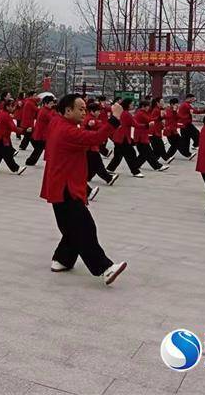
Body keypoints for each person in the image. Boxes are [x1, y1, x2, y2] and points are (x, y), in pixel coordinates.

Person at [40, 94, 128, 285]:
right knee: (85, 227)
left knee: (72, 227)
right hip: (66, 187)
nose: (84, 112)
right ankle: (104, 268)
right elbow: (95, 137)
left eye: (85, 109)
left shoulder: (58, 123)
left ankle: (62, 259)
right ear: (67, 111)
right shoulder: (67, 131)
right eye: (80, 108)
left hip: (61, 184)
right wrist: (114, 118)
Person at [83, 101, 119, 187]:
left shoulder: (91, 119)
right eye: (98, 111)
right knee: (98, 164)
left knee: (91, 164)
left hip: (91, 146)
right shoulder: (91, 120)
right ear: (92, 111)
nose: (99, 113)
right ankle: (108, 178)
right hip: (90, 146)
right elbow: (101, 128)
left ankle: (87, 177)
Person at [106, 99, 145, 178]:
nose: (133, 106)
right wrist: (147, 126)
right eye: (131, 104)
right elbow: (135, 124)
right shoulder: (126, 114)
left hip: (118, 137)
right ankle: (135, 171)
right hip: (122, 138)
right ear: (128, 105)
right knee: (131, 154)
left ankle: (110, 169)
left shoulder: (122, 113)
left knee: (118, 155)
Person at [0, 98, 26, 174]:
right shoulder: (6, 116)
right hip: (2, 137)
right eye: (12, 106)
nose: (14, 108)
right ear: (7, 107)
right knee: (7, 154)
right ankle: (16, 169)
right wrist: (24, 131)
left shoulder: (1, 112)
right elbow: (13, 128)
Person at [133, 99, 169, 172]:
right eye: (147, 106)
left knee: (144, 154)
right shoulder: (141, 113)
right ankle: (158, 166)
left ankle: (135, 165)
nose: (149, 108)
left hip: (141, 135)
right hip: (141, 136)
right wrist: (160, 117)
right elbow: (149, 119)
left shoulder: (142, 112)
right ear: (143, 106)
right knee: (148, 152)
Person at [25, 96, 55, 166]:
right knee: (40, 149)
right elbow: (52, 119)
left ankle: (30, 162)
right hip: (41, 134)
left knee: (39, 149)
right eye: (50, 103)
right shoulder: (45, 111)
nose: (52, 105)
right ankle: (30, 162)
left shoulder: (46, 110)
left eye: (52, 103)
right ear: (45, 104)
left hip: (41, 133)